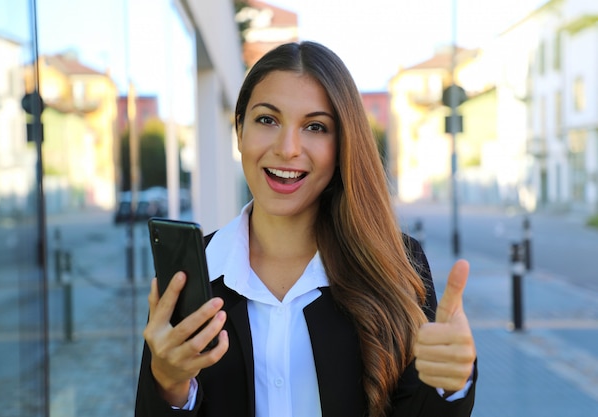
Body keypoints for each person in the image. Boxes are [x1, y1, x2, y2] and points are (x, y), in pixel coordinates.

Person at [135, 41, 477, 417]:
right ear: (240, 131)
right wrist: (168, 386)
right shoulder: (192, 274)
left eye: (315, 127)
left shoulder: (396, 262)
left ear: (342, 144)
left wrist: (450, 384)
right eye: (267, 119)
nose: (288, 148)